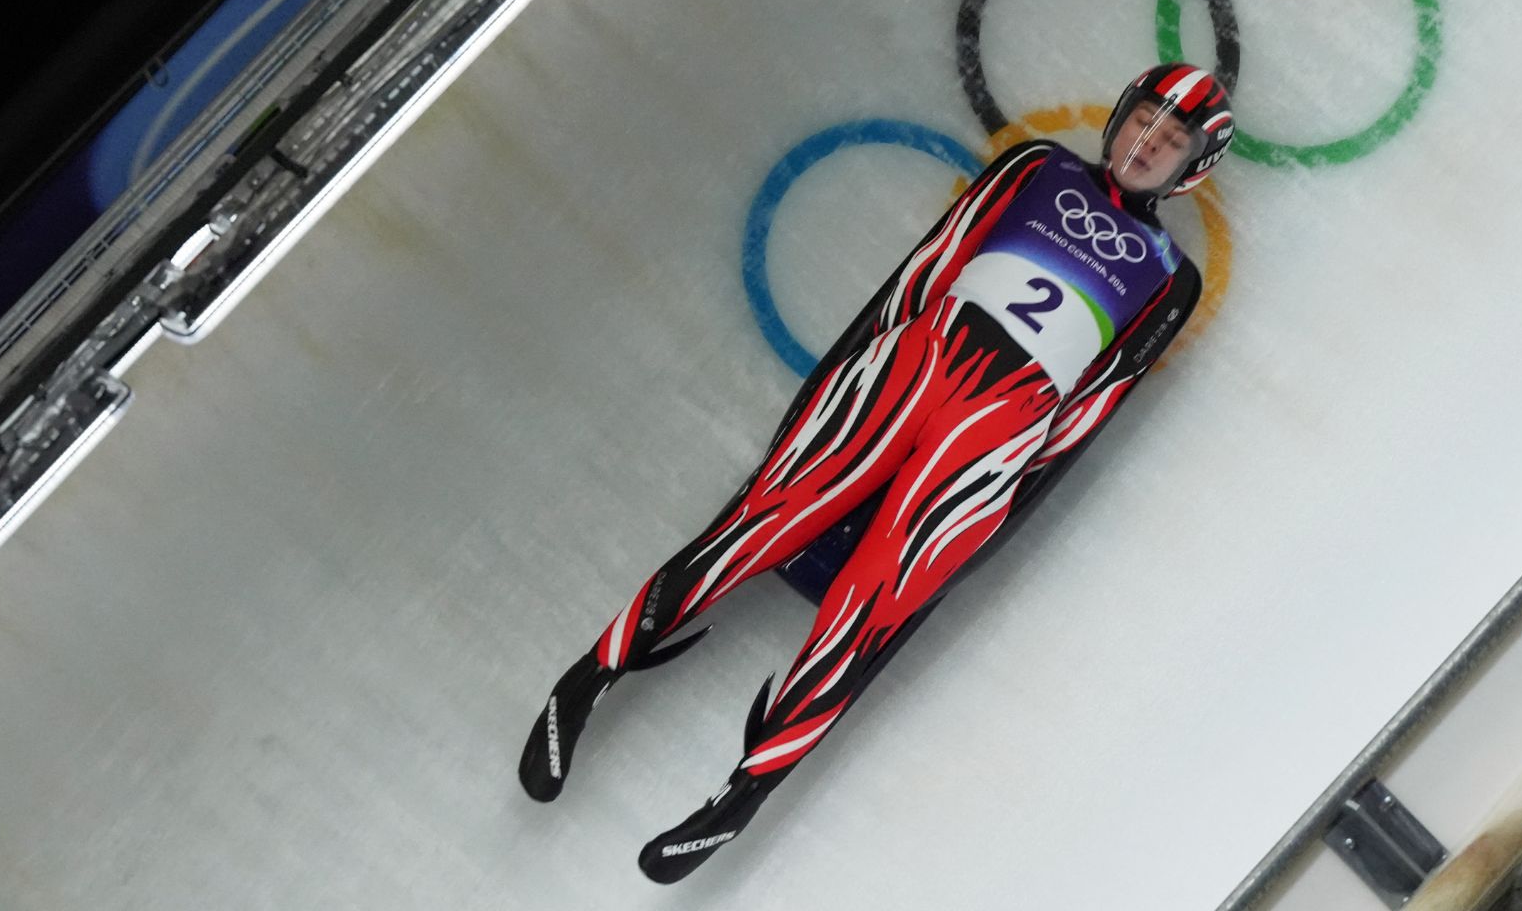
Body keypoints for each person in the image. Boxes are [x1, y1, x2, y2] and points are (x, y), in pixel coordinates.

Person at [518, 64, 1235, 883]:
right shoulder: (1034, 168)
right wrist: (837, 384)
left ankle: (742, 793)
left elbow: (1093, 408)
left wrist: (1005, 495)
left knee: (873, 603)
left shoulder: (1172, 278)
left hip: (1002, 425)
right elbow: (923, 270)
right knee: (764, 521)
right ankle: (587, 680)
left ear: (1193, 165)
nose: (1148, 143)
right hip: (917, 362)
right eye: (1144, 120)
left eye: (1171, 138)